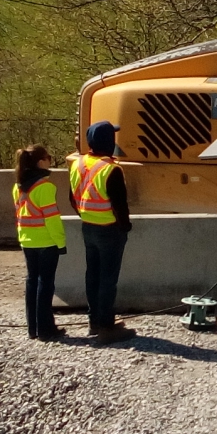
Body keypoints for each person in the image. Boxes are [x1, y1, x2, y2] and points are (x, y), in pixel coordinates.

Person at [70, 119, 134, 343]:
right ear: (110, 141)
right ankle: (107, 327)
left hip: (88, 228)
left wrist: (87, 215)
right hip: (109, 230)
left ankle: (94, 322)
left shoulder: (78, 164)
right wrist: (125, 227)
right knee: (108, 279)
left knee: (93, 276)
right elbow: (120, 205)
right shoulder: (111, 169)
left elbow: (73, 198)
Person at [13, 143, 66, 342]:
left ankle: (33, 328)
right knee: (46, 284)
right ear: (40, 162)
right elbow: (52, 219)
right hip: (45, 241)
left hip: (27, 240)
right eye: (48, 157)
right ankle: (46, 329)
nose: (50, 160)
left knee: (32, 281)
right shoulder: (45, 187)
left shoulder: (18, 187)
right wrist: (60, 242)